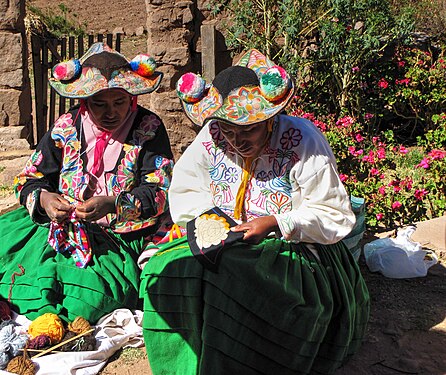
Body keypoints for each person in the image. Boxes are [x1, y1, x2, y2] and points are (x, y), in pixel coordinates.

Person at [140, 49, 370, 375]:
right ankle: (187, 365)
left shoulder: (302, 139)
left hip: (296, 245)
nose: (236, 141)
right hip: (223, 235)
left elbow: (334, 212)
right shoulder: (213, 135)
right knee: (166, 267)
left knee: (237, 278)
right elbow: (186, 190)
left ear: (269, 118)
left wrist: (277, 221)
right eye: (229, 131)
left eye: (247, 130)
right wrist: (214, 222)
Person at [0, 42, 174, 324]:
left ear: (132, 98)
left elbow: (159, 192)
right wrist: (45, 199)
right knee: (16, 260)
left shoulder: (148, 128)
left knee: (89, 298)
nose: (111, 113)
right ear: (84, 101)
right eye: (99, 104)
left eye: (119, 102)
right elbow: (30, 178)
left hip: (119, 236)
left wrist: (113, 205)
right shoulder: (67, 126)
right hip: (61, 227)